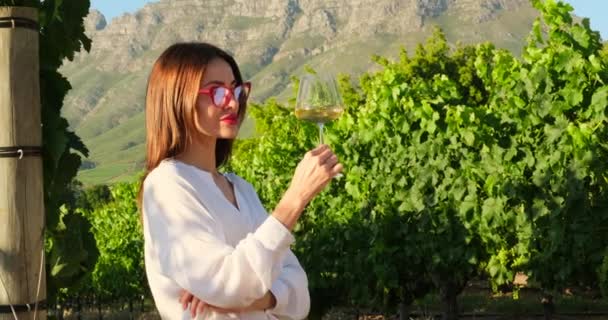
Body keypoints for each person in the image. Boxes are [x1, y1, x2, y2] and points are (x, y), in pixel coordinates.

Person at [139, 42, 343, 320]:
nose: (234, 102)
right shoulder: (167, 185)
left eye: (236, 89)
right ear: (178, 98)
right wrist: (295, 198)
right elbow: (227, 284)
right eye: (217, 91)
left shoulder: (241, 189)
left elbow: (299, 294)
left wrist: (254, 300)